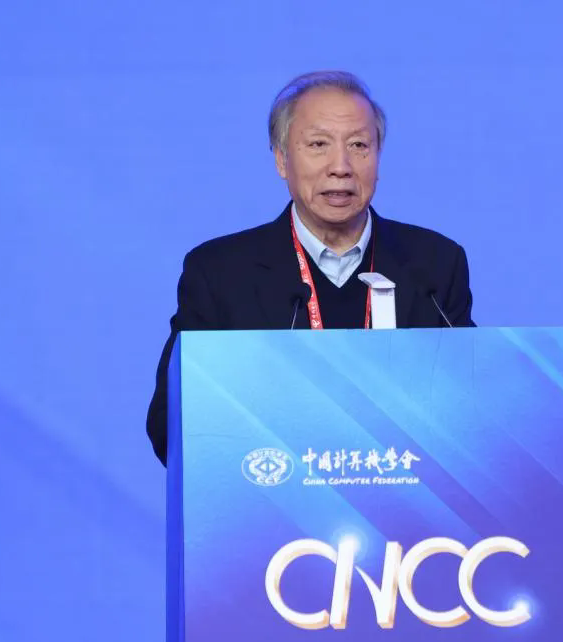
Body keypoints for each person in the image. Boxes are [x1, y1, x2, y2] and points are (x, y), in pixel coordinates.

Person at [146, 71, 475, 464]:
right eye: (319, 144)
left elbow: (472, 409)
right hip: (271, 494)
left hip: (404, 492)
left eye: (359, 145)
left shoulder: (434, 266)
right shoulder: (219, 274)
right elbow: (171, 423)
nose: (341, 166)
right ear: (281, 160)